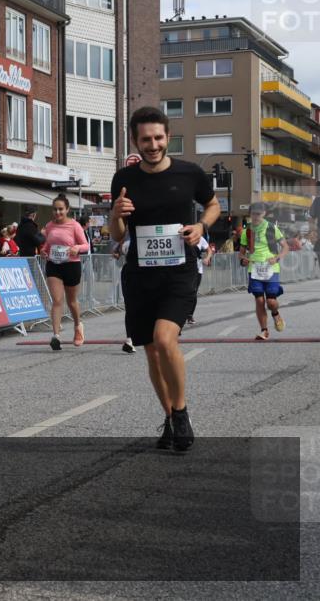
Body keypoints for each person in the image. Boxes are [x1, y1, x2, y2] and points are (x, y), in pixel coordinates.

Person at [109, 106, 220, 453]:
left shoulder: (190, 174)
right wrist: (116, 214)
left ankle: (182, 410)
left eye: (158, 137)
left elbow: (213, 205)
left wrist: (202, 225)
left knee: (164, 337)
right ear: (135, 141)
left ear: (168, 137)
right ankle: (170, 418)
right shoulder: (123, 179)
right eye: (146, 139)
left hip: (179, 273)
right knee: (152, 353)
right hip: (140, 276)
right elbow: (116, 234)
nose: (153, 144)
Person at [40, 193, 90, 350]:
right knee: (57, 300)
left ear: (67, 209)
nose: (57, 213)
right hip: (53, 265)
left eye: (61, 209)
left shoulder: (74, 225)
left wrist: (77, 248)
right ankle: (56, 336)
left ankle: (78, 326)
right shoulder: (49, 226)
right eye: (55, 209)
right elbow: (47, 245)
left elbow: (86, 245)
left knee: (72, 302)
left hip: (71, 265)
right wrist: (43, 251)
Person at [239, 202, 289, 341]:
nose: (255, 217)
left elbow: (285, 247)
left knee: (271, 302)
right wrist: (244, 260)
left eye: (258, 214)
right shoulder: (247, 231)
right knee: (259, 300)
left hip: (271, 269)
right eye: (253, 214)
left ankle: (275, 313)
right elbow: (241, 253)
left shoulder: (272, 228)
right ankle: (264, 330)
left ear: (264, 214)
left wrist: (277, 257)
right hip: (254, 269)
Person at [110, 237, 135, 353]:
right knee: (130, 307)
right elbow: (115, 253)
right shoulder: (127, 241)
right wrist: (118, 249)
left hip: (149, 274)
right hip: (130, 273)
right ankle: (129, 340)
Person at [185, 237, 213, 326]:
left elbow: (209, 250)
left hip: (197, 269)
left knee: (193, 292)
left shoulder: (199, 237)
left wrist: (207, 258)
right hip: (183, 269)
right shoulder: (179, 236)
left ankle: (189, 315)